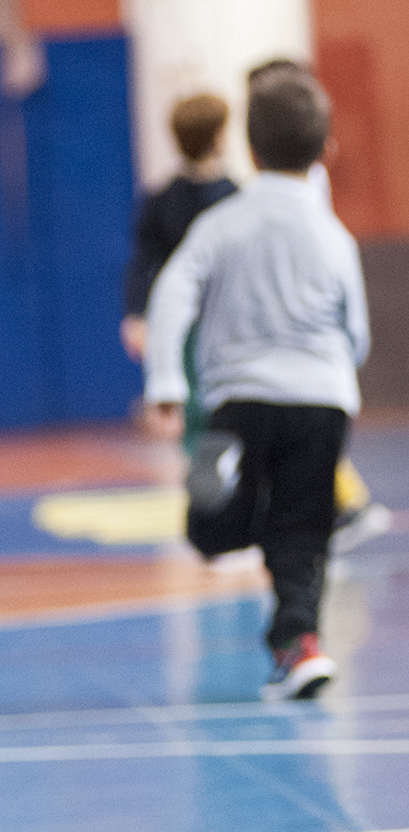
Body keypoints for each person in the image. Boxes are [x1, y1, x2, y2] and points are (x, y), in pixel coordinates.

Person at [143, 67, 370, 701]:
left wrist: (167, 380)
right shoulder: (335, 236)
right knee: (304, 532)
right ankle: (299, 641)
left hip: (238, 403)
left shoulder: (221, 226)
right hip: (322, 403)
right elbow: (355, 332)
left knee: (208, 526)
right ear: (325, 150)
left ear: (250, 147)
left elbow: (171, 294)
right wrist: (335, 373)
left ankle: (243, 512)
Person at [245, 58, 389, 555]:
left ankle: (343, 507)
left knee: (302, 428)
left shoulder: (303, 187)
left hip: (303, 329)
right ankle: (332, 508)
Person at [121, 92, 238, 454]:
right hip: (193, 320)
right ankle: (204, 471)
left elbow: (142, 260)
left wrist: (136, 313)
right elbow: (145, 261)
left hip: (218, 318)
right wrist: (137, 313)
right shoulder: (173, 200)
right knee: (196, 404)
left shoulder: (232, 196)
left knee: (218, 401)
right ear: (219, 136)